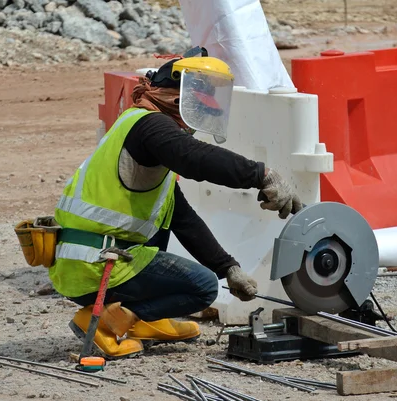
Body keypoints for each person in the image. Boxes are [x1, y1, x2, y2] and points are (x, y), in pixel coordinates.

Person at [48, 47, 303, 358]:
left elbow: (182, 218)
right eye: (201, 98)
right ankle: (109, 320)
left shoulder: (137, 126)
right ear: (177, 94)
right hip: (96, 265)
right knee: (202, 288)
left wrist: (229, 268)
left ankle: (140, 320)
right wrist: (263, 175)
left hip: (83, 260)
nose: (207, 107)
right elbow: (193, 158)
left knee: (169, 237)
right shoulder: (151, 127)